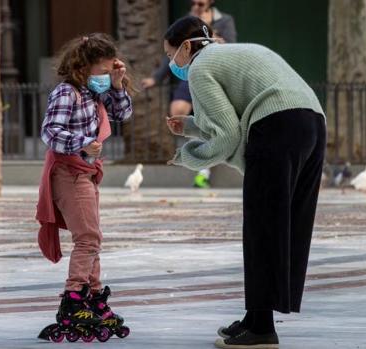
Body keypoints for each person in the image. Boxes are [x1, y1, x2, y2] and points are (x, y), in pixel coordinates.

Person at [164, 16, 326, 348]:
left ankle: (262, 328)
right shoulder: (232, 52)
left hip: (277, 126)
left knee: (261, 226)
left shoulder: (199, 66)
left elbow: (226, 137)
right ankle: (255, 317)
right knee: (283, 223)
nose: (172, 64)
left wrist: (188, 155)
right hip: (311, 121)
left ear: (186, 47)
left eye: (171, 55)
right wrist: (192, 127)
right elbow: (234, 119)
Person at [36, 33, 133, 342]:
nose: (105, 77)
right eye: (103, 71)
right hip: (68, 172)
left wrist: (117, 85)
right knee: (88, 237)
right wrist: (82, 143)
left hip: (87, 173)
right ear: (84, 66)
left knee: (93, 237)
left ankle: (92, 294)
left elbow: (123, 114)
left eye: (109, 70)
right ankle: (74, 297)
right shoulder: (67, 92)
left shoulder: (93, 94)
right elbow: (50, 131)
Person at [143, 0, 236, 188]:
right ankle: (200, 152)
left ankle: (204, 167)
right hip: (189, 73)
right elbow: (172, 52)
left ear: (209, 2)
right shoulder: (185, 21)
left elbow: (230, 44)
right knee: (178, 109)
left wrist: (205, 30)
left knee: (213, 116)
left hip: (211, 69)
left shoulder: (224, 20)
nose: (197, 5)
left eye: (200, 2)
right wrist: (156, 78)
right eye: (194, 2)